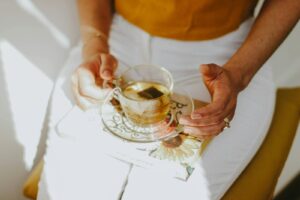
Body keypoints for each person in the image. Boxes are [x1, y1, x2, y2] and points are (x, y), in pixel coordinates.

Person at [45, 0, 299, 199]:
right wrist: (94, 45)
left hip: (228, 55)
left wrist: (239, 76)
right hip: (113, 38)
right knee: (71, 189)